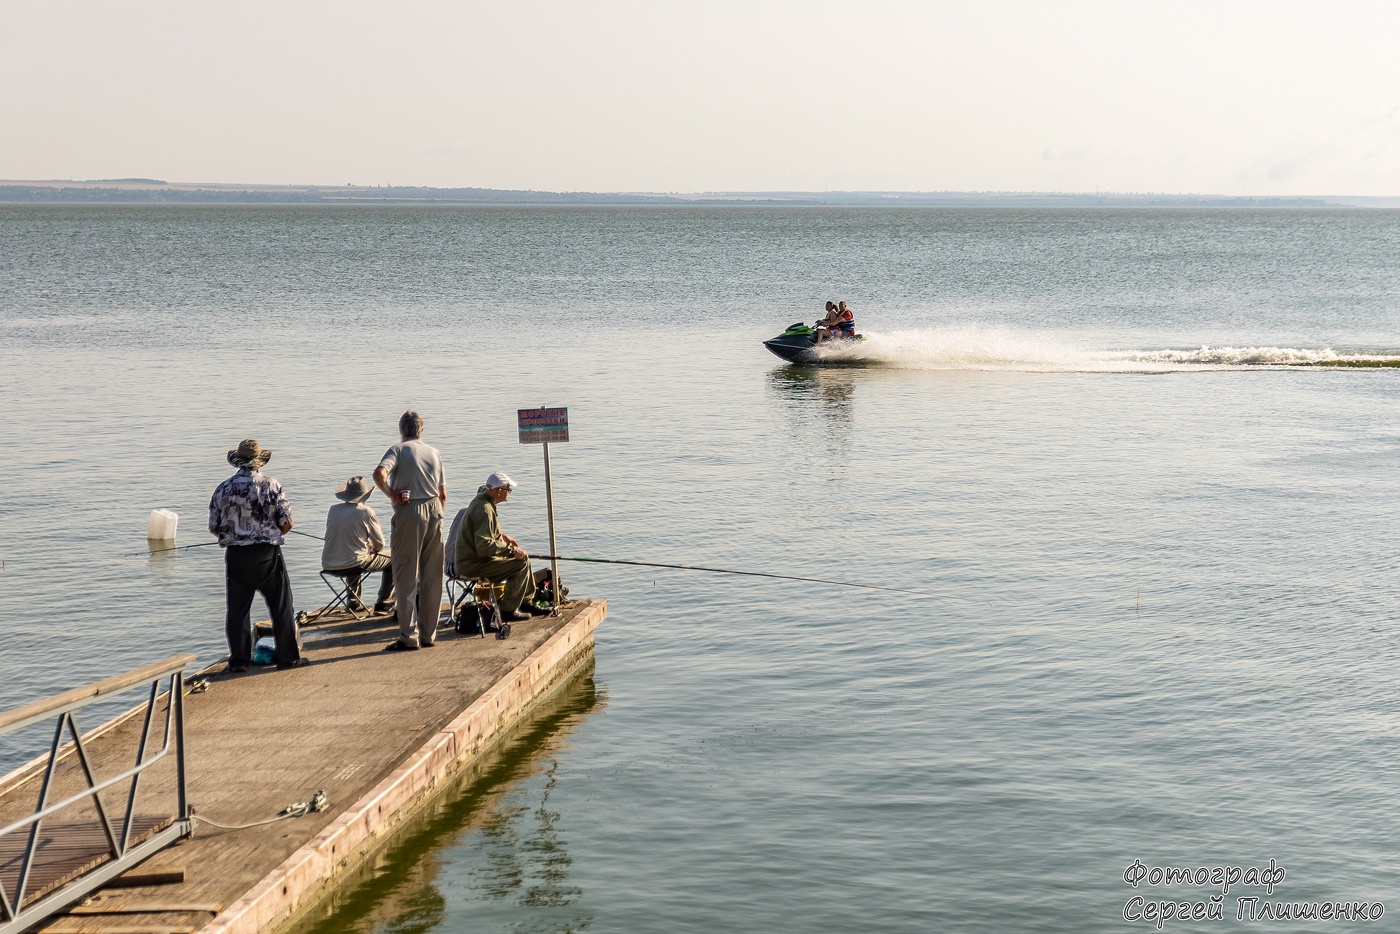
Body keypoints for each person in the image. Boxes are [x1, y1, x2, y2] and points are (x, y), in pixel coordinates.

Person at [208, 439, 307, 671]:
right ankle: (287, 658)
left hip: (236, 556)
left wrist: (235, 534)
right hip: (267, 554)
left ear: (238, 462)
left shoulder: (223, 488)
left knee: (237, 611)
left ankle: (239, 661)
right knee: (281, 607)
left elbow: (214, 527)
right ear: (258, 462)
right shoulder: (272, 485)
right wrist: (270, 531)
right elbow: (287, 523)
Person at [373, 410, 446, 651]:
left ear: (401, 430)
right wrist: (438, 513)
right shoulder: (434, 452)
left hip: (410, 510)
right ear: (421, 430)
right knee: (432, 576)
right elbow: (443, 492)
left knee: (405, 573)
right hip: (435, 509)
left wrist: (391, 494)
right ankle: (428, 635)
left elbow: (379, 474)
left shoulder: (397, 450)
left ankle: (408, 636)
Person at [453, 472, 549, 622]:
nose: (509, 493)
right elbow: (484, 547)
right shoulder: (484, 510)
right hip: (472, 565)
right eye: (508, 489)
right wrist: (510, 550)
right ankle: (507, 610)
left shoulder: (482, 503)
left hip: (476, 560)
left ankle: (526, 602)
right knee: (521, 565)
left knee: (524, 558)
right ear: (499, 491)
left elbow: (487, 537)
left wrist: (505, 541)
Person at [321, 476, 395, 615]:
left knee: (353, 554)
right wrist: (373, 549)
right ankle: (385, 603)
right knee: (396, 557)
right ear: (365, 496)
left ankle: (354, 603)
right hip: (354, 564)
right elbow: (380, 543)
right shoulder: (365, 511)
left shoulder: (333, 510)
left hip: (328, 564)